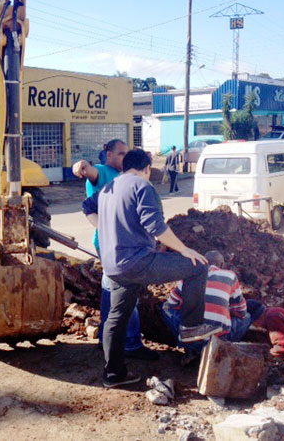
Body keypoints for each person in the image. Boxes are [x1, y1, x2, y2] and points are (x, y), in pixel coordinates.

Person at [83, 149, 214, 388]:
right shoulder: (142, 187)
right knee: (197, 267)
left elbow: (87, 206)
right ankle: (191, 327)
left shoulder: (109, 187)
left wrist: (102, 228)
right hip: (138, 262)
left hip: (113, 265)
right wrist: (185, 250)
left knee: (117, 316)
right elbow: (156, 226)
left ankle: (113, 374)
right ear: (146, 168)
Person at [72, 139, 158, 361]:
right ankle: (130, 343)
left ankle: (106, 338)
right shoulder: (104, 172)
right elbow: (90, 171)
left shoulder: (123, 177)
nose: (124, 157)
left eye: (126, 153)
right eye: (120, 153)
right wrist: (82, 164)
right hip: (116, 245)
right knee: (126, 292)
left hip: (114, 244)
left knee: (110, 290)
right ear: (108, 155)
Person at [161, 250, 251, 366]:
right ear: (222, 265)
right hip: (218, 340)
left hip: (191, 337)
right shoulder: (230, 276)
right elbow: (241, 312)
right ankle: (221, 350)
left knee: (165, 309)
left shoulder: (189, 274)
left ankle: (190, 350)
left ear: (203, 262)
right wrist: (226, 311)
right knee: (247, 317)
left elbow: (171, 304)